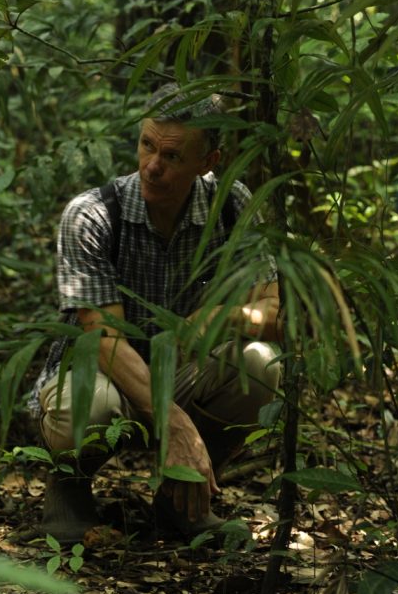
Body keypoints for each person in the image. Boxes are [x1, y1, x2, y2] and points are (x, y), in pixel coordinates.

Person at [28, 83, 281, 543]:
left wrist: (225, 315)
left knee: (261, 365)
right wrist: (174, 422)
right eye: (147, 145)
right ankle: (69, 491)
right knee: (91, 408)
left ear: (208, 163)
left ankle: (180, 502)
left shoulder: (232, 205)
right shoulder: (91, 214)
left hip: (183, 372)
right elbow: (100, 337)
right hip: (104, 374)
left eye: (172, 157)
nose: (152, 166)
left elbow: (272, 308)